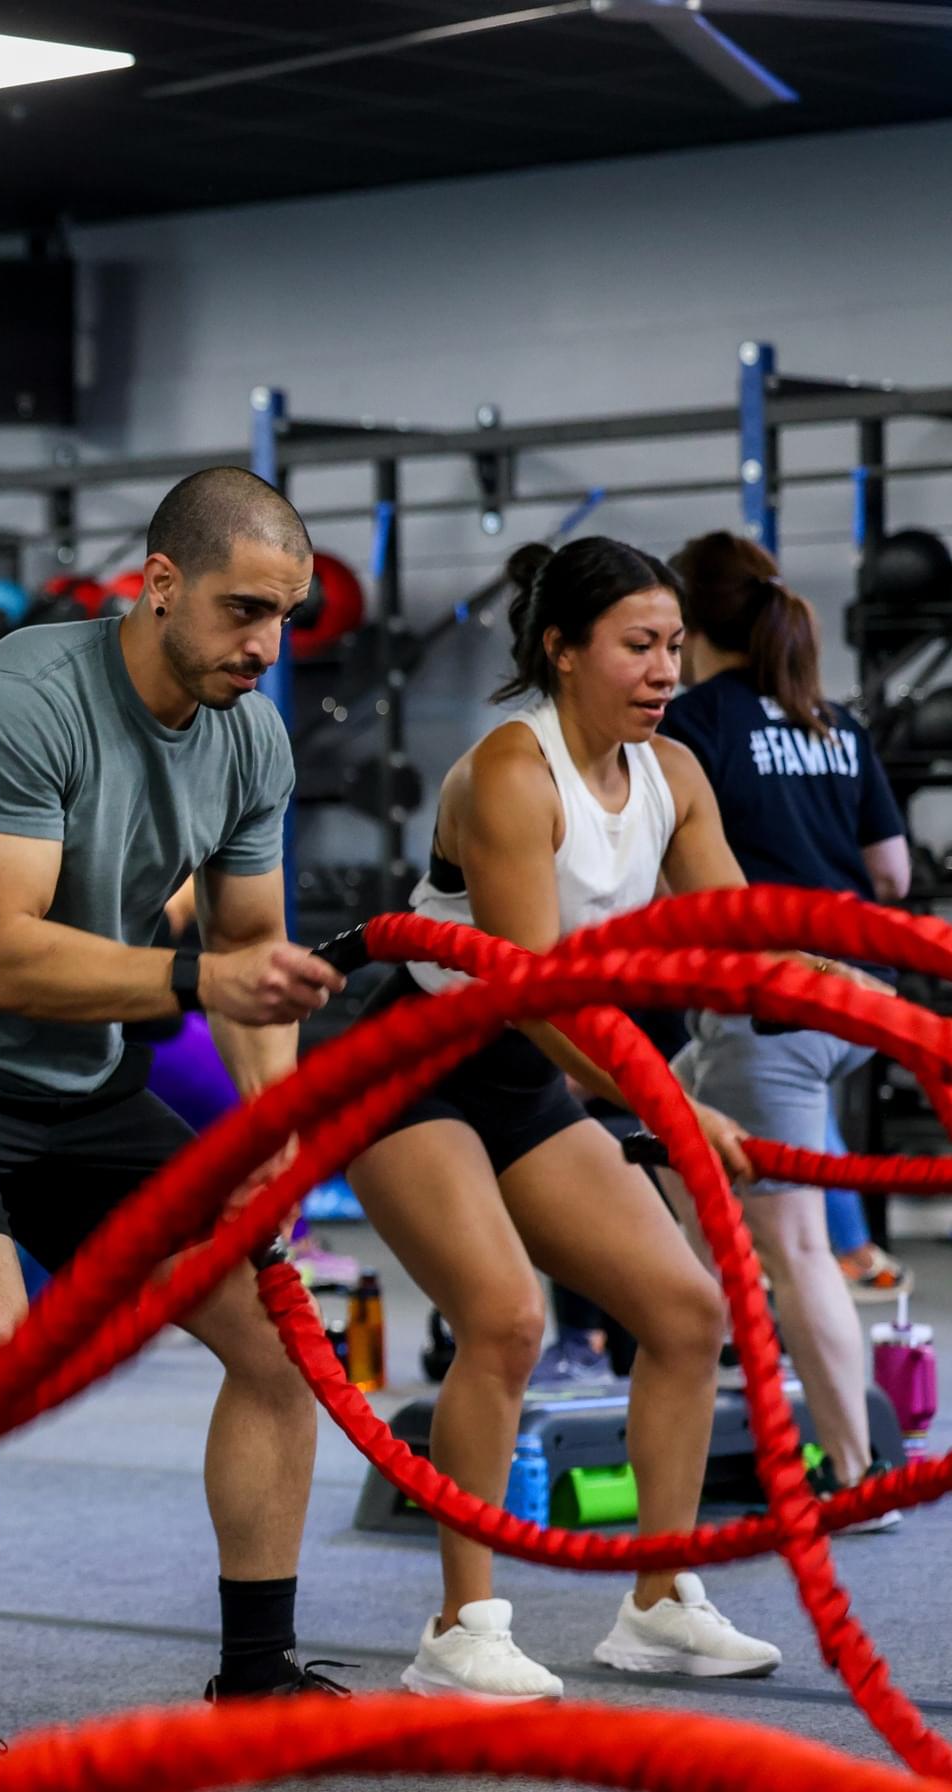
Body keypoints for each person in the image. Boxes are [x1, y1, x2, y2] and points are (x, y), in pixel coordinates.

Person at [0, 467, 347, 1776]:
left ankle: (259, 1673)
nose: (265, 646)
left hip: (79, 1084)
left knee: (280, 1347)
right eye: (242, 610)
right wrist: (197, 983)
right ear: (159, 584)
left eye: (285, 617)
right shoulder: (15, 702)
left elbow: (253, 953)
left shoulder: (251, 739)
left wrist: (272, 1131)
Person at [346, 536, 791, 1703]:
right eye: (638, 646)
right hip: (412, 1071)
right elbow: (535, 997)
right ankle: (460, 1630)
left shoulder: (673, 774)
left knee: (686, 1313)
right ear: (562, 648)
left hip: (525, 1079)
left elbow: (741, 934)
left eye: (674, 646)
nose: (665, 670)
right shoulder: (510, 772)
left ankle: (659, 1601)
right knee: (504, 1320)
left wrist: (854, 982)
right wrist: (673, 1107)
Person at [661, 529, 906, 1529]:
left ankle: (857, 1475)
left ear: (688, 626)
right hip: (864, 998)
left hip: (774, 1008)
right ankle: (711, 1322)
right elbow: (891, 871)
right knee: (659, 1119)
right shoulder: (833, 719)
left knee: (802, 1246)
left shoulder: (693, 722)